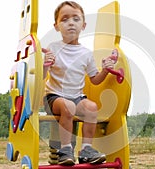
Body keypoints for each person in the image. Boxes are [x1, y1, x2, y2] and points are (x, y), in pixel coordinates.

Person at [42, 1, 114, 166]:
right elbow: (41, 77)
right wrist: (45, 65)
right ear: (57, 26)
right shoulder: (53, 48)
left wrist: (105, 70)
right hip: (53, 98)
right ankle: (65, 149)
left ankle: (86, 150)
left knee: (91, 108)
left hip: (76, 97)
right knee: (68, 107)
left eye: (76, 19)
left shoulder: (86, 54)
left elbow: (95, 80)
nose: (71, 23)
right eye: (65, 19)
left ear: (83, 25)